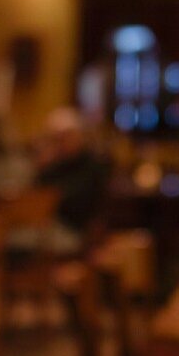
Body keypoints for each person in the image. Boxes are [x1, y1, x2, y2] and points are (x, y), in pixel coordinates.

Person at [34, 107, 109, 254]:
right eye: (56, 138)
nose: (61, 142)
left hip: (76, 231)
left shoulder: (92, 165)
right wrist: (42, 168)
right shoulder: (54, 165)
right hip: (49, 228)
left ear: (79, 135)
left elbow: (67, 199)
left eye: (66, 136)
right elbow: (36, 195)